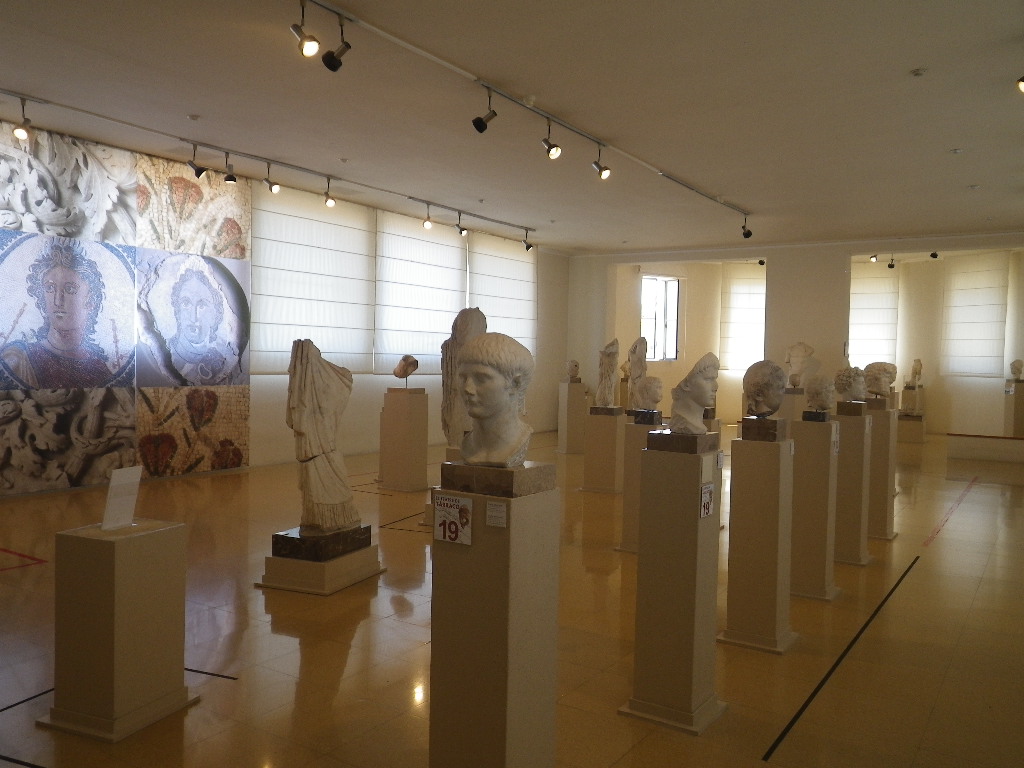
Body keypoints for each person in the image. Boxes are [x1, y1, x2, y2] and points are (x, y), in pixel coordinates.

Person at [0, 238, 111, 388]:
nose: (58, 301)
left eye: (70, 289)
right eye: (50, 288)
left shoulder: (101, 370)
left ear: (91, 301)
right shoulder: (18, 359)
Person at [457, 332, 534, 467]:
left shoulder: (516, 442)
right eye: (463, 378)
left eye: (481, 378)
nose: (467, 388)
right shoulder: (469, 447)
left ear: (515, 383)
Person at [166, 263, 238, 385]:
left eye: (202, 306)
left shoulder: (218, 359)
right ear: (177, 310)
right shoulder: (166, 353)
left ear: (215, 314)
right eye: (186, 304)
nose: (193, 318)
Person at [670, 352, 719, 434]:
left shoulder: (695, 425)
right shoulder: (684, 423)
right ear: (686, 384)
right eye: (708, 379)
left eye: (714, 379)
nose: (716, 387)